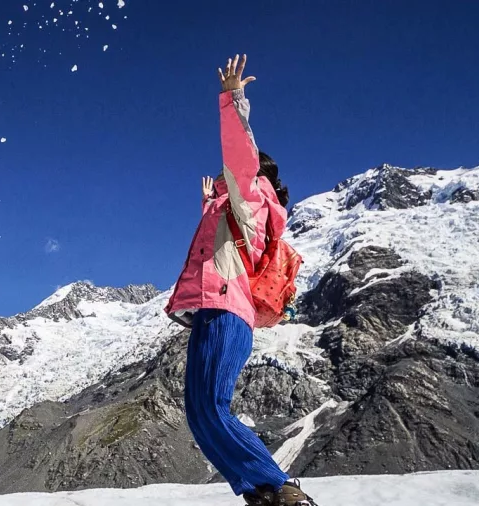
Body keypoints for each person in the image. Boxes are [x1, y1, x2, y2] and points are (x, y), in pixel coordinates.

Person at [164, 55, 317, 506]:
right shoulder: (236, 208)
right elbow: (221, 250)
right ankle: (262, 495)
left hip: (227, 311)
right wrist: (211, 204)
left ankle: (282, 490)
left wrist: (233, 101)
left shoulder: (254, 196)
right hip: (214, 310)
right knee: (199, 413)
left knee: (211, 407)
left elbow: (240, 157)